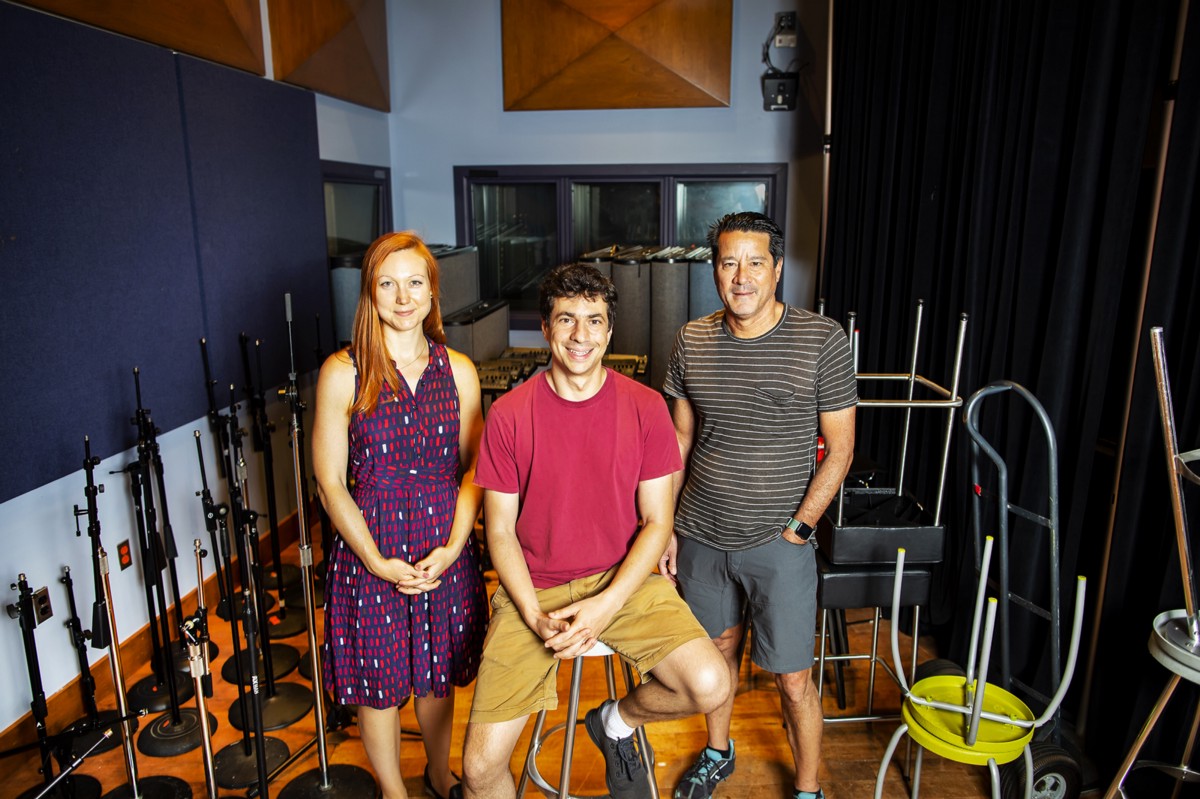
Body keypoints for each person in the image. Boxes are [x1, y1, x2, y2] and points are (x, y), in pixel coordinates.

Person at [461, 264, 730, 799]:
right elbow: (501, 535)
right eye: (567, 320)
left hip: (623, 579)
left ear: (610, 331)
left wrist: (604, 605)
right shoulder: (510, 415)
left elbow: (657, 523)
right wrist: (536, 618)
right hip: (531, 590)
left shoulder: (646, 407)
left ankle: (615, 720)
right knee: (478, 768)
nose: (581, 336)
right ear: (545, 328)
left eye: (594, 321)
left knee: (711, 683)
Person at [660, 212, 858, 799]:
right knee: (714, 661)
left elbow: (841, 449)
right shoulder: (691, 339)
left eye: (754, 262)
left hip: (780, 542)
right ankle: (718, 752)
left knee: (794, 679)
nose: (740, 276)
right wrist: (665, 527)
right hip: (700, 535)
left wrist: (801, 527)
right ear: (714, 270)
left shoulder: (820, 339)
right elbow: (679, 440)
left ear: (776, 269)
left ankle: (807, 787)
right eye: (727, 262)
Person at [313, 231, 488, 799]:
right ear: (370, 293)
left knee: (438, 672)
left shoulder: (459, 370)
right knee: (378, 679)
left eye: (415, 282)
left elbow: (474, 472)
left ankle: (438, 775)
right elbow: (331, 482)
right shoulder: (342, 371)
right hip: (371, 545)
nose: (403, 295)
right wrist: (375, 560)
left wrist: (455, 546)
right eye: (388, 283)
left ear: (433, 293)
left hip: (443, 542)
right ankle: (393, 790)